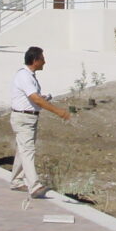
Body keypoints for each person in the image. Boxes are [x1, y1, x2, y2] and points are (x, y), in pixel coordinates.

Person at [9, 46, 71, 197]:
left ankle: (17, 180)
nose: (45, 62)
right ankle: (34, 185)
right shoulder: (24, 76)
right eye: (42, 59)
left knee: (22, 149)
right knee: (28, 150)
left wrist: (42, 99)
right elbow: (34, 97)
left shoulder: (30, 76)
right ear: (35, 60)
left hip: (29, 117)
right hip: (23, 118)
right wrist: (58, 111)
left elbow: (33, 97)